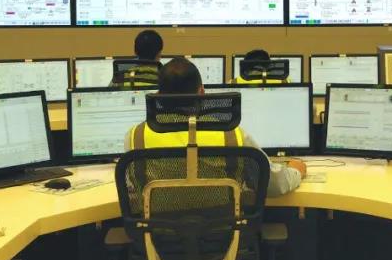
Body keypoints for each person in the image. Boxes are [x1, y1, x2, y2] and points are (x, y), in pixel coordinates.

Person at [128, 57, 305, 197]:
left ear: (158, 95)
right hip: (224, 231)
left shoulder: (136, 136)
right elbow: (273, 185)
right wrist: (296, 170)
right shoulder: (231, 135)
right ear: (201, 92)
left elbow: (132, 185)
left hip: (157, 231)